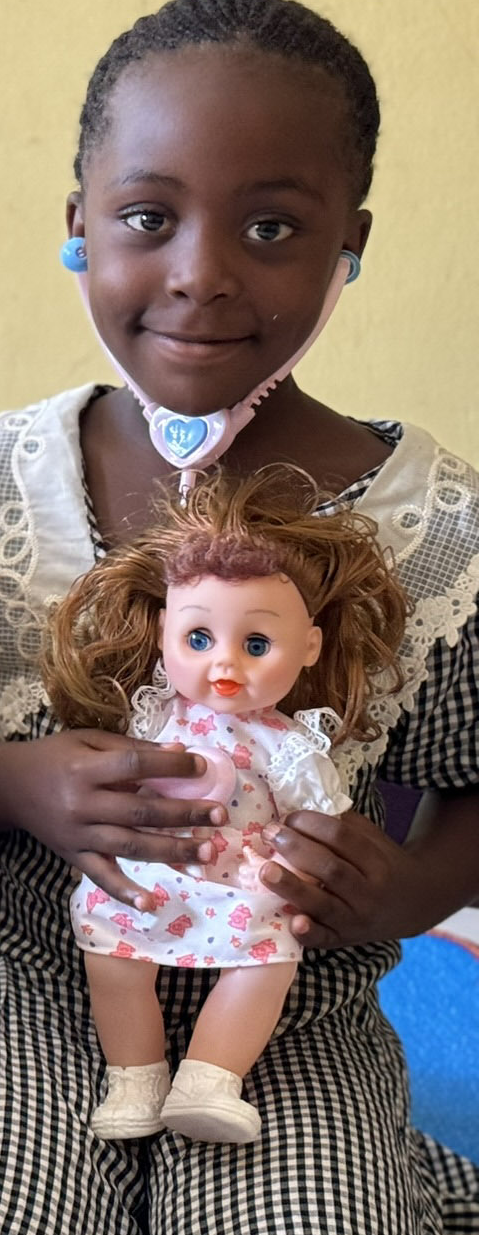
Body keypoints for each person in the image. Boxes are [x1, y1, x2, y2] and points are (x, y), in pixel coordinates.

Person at [0, 0, 479, 1235]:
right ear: (77, 219)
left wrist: (407, 889)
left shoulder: (438, 532)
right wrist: (17, 782)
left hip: (292, 996)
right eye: (145, 217)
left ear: (350, 242)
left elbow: (469, 790)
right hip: (33, 970)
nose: (200, 274)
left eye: (271, 228)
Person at [38, 469, 406, 1144]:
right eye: (199, 639)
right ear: (163, 633)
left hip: (243, 877)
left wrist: (309, 853)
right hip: (152, 865)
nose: (225, 665)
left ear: (309, 647)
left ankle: (210, 1078)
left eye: (256, 644)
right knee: (110, 949)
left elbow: (318, 812)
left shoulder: (284, 743)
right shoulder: (153, 718)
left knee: (268, 958)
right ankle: (135, 1076)